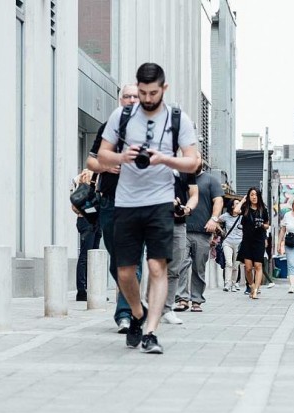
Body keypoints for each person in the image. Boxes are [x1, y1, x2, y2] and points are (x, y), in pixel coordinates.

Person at [98, 63, 199, 353]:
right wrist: (121, 156)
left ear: (163, 89)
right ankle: (138, 314)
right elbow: (102, 154)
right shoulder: (123, 115)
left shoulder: (178, 119)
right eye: (142, 92)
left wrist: (164, 159)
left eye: (153, 92)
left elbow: (193, 162)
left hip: (159, 202)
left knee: (157, 266)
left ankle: (151, 332)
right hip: (126, 202)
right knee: (125, 272)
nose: (147, 98)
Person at [86, 84, 140, 332]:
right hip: (109, 201)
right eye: (126, 96)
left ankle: (125, 313)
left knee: (132, 259)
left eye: (135, 96)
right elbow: (90, 160)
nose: (130, 100)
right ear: (120, 100)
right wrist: (105, 167)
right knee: (117, 261)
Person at [177, 159, 224, 312]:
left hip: (203, 231)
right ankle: (182, 299)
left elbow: (218, 201)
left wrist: (214, 219)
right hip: (181, 228)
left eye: (196, 158)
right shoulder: (180, 178)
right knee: (181, 265)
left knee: (199, 267)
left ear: (201, 162)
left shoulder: (211, 180)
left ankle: (196, 300)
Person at [161, 167, 198, 324]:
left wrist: (186, 208)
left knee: (175, 267)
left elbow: (194, 194)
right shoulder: (153, 162)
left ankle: (167, 309)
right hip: (156, 221)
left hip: (179, 224)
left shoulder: (185, 167)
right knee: (157, 266)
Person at [70, 169, 102, 302]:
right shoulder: (83, 177)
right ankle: (82, 291)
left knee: (93, 256)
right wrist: (92, 212)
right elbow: (76, 205)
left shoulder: (100, 176)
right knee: (85, 256)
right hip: (87, 220)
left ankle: (92, 290)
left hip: (93, 220)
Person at [238, 187, 270, 299]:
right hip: (247, 240)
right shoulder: (245, 208)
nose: (254, 197)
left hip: (259, 240)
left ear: (259, 196)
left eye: (256, 194)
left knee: (258, 265)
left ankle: (256, 290)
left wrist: (262, 225)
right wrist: (242, 201)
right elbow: (236, 211)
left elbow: (267, 225)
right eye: (251, 194)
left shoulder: (263, 210)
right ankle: (251, 285)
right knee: (247, 268)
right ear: (249, 196)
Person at [278, 198, 294, 293]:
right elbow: (283, 230)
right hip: (289, 242)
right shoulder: (287, 215)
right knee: (291, 264)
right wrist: (279, 243)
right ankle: (292, 285)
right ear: (292, 205)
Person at [218, 198, 243, 292]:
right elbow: (216, 220)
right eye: (236, 203)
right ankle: (227, 284)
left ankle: (234, 283)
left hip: (239, 243)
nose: (238, 205)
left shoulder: (242, 217)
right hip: (227, 242)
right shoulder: (226, 216)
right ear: (232, 206)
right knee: (229, 263)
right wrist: (221, 231)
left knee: (236, 265)